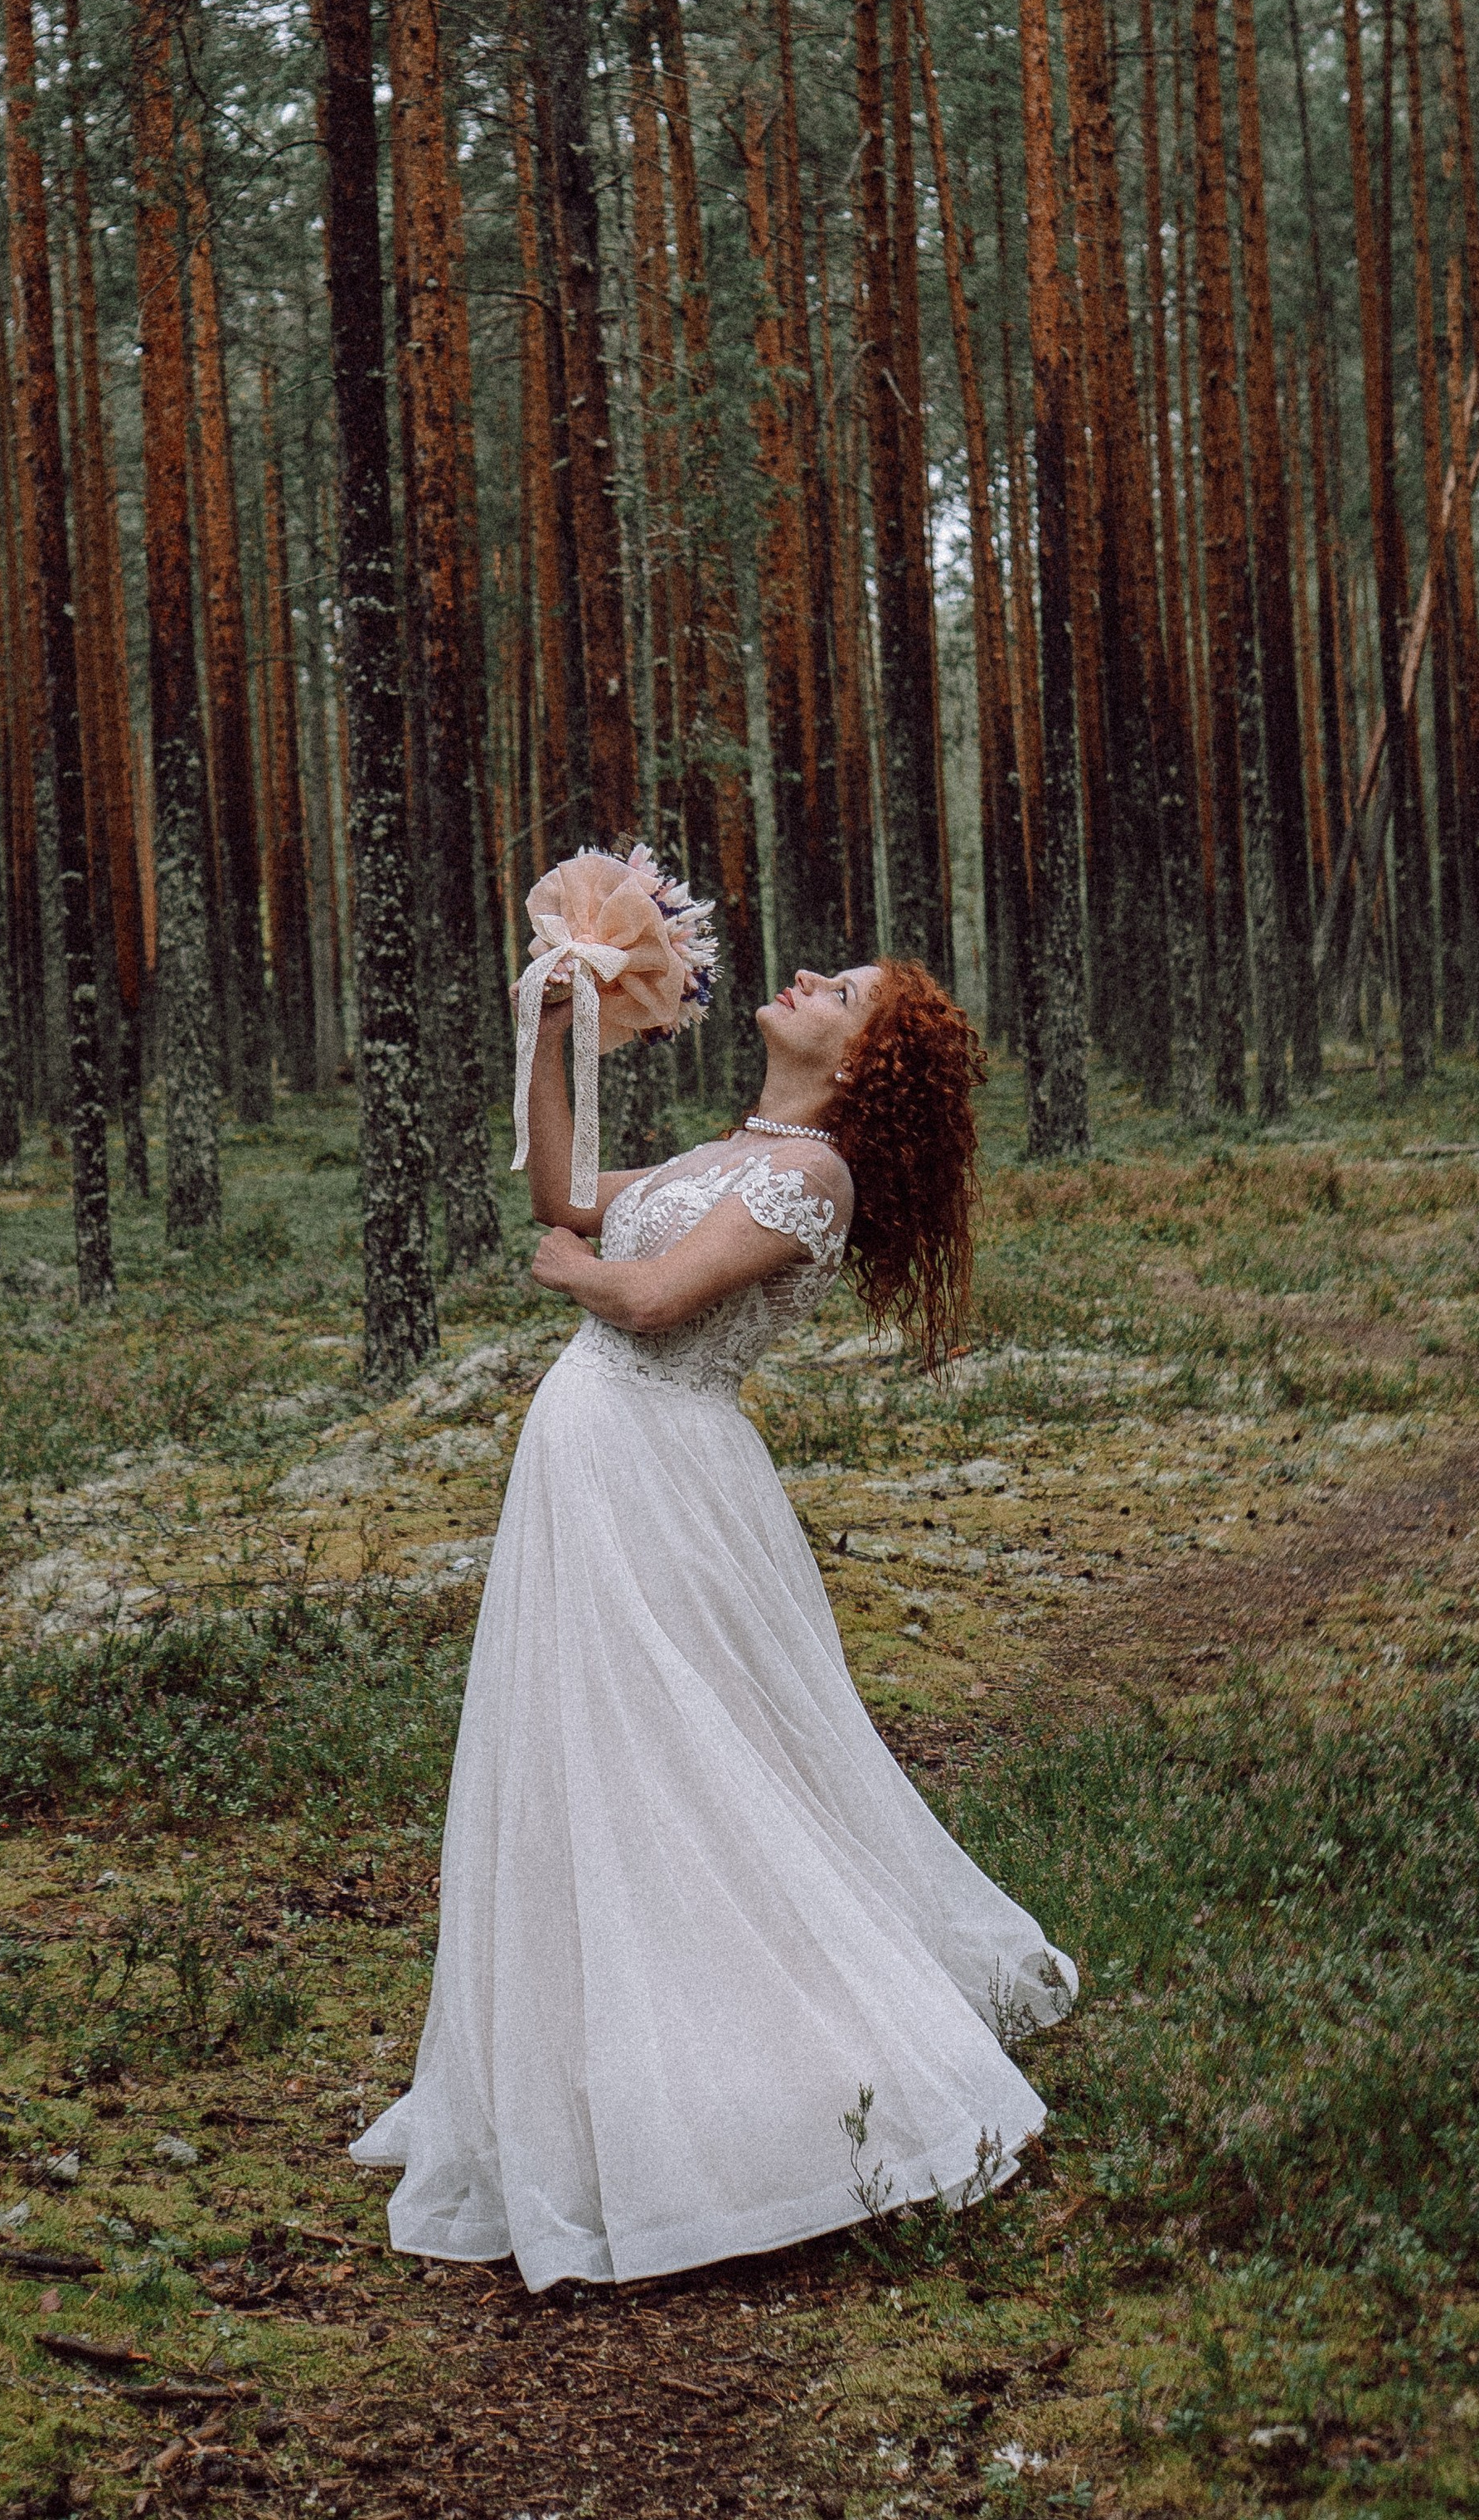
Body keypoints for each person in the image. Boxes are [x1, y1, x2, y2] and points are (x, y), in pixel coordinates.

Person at [352, 960, 1077, 2289]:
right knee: (596, 1754)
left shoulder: (815, 1176)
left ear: (858, 1060)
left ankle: (769, 2078)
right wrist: (550, 1037)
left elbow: (652, 1299)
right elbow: (567, 1194)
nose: (804, 978)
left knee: (691, 1754)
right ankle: (618, 2064)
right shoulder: (732, 1152)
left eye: (838, 991)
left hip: (662, 1472)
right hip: (596, 1463)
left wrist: (575, 1272)